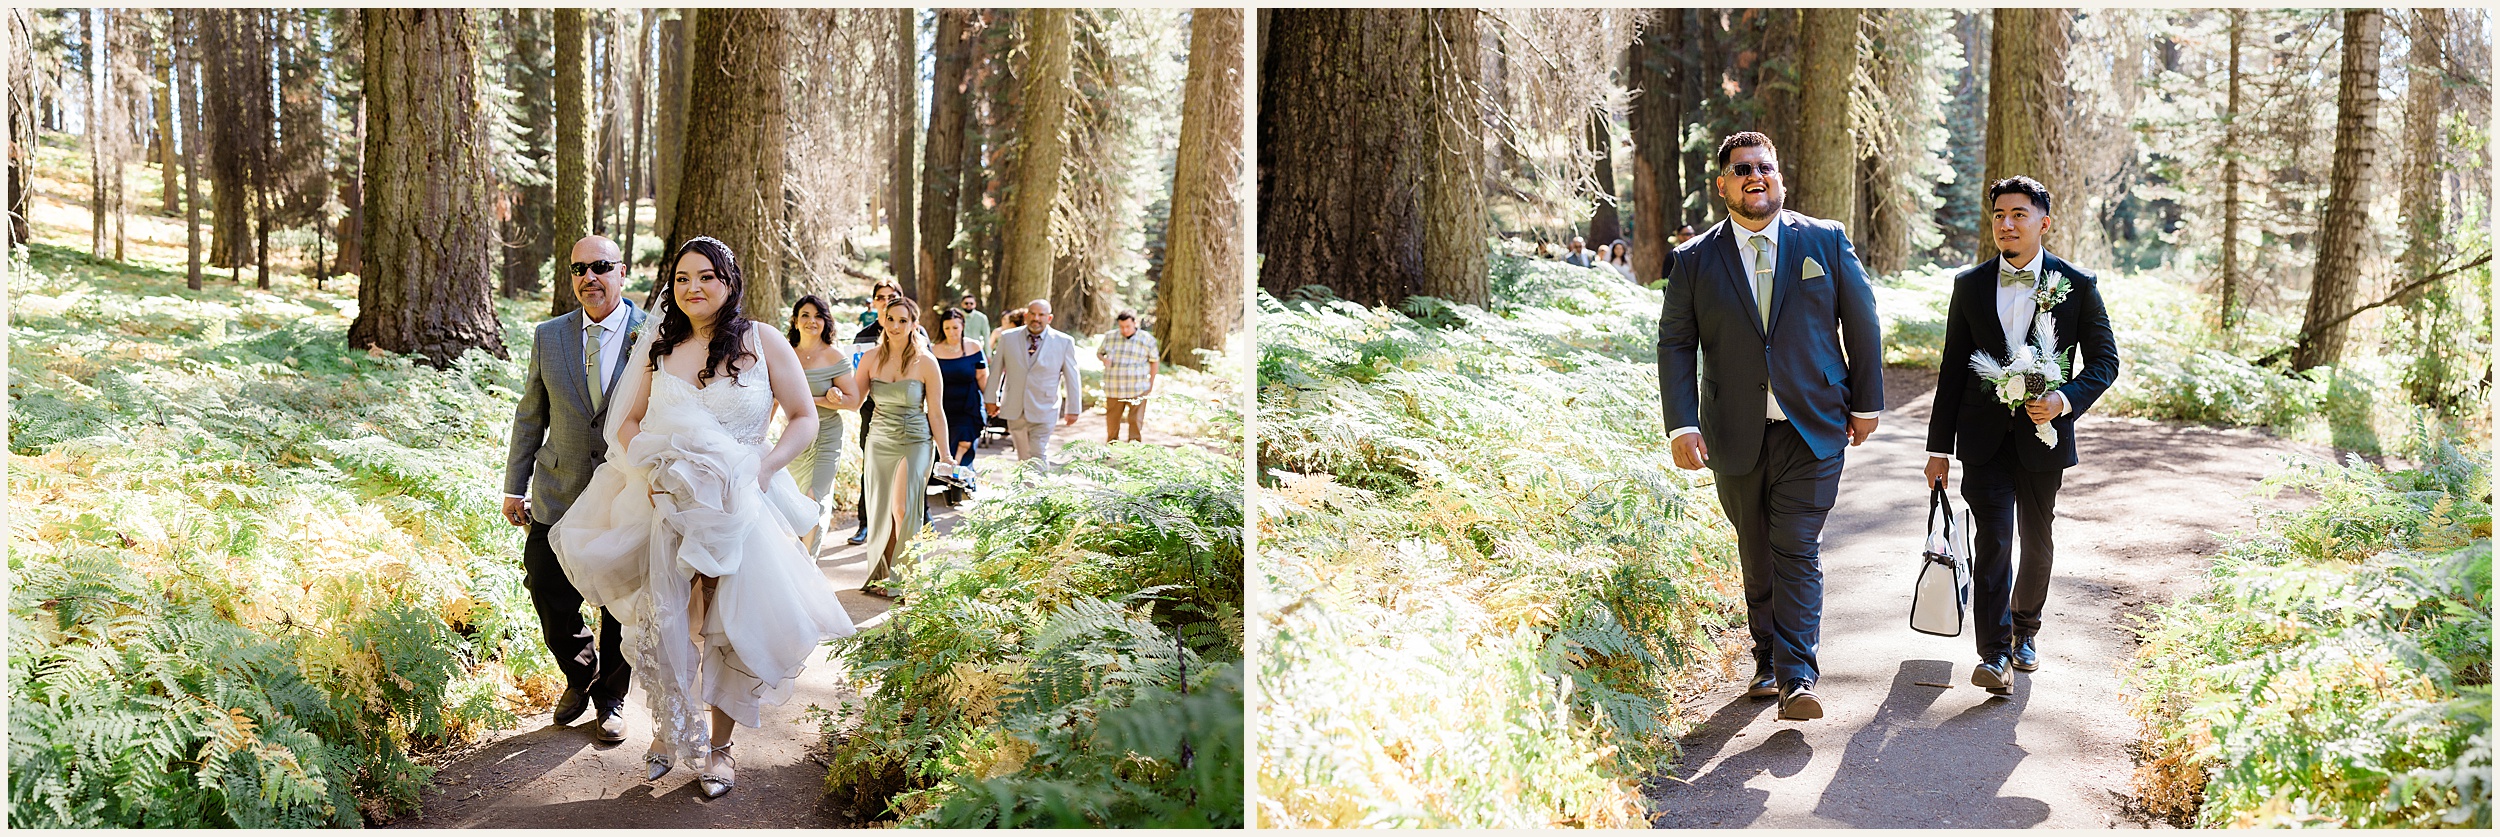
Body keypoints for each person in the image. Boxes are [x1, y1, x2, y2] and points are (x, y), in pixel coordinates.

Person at [552, 236, 855, 799]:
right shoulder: (662, 348)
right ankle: (670, 732)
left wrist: (763, 468)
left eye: (707, 277)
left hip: (740, 507)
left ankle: (719, 748)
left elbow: (804, 418)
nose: (694, 288)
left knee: (727, 625)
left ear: (730, 282)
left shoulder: (763, 342)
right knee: (668, 623)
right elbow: (628, 422)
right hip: (664, 506)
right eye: (684, 278)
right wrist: (649, 471)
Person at [1658, 131, 1883, 722]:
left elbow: (1862, 323)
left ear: (1779, 178)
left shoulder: (1826, 241)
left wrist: (1867, 403)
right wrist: (1681, 424)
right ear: (1722, 185)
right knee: (1756, 550)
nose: (1754, 177)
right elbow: (1677, 344)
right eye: (1741, 169)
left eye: (1764, 168)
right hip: (1734, 432)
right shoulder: (1693, 261)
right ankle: (1767, 660)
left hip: (1813, 428)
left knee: (1796, 547)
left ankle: (1799, 676)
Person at [1922, 176, 2120, 695]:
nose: (2006, 225)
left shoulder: (2076, 284)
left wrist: (2063, 401)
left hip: (2043, 438)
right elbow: (1953, 368)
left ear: (2043, 223)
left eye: (2018, 215)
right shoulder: (1968, 285)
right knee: (1993, 541)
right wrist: (1938, 448)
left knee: (2037, 539)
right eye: (1999, 216)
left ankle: (2025, 628)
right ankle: (1993, 654)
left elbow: (2105, 362)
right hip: (1981, 438)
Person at [503, 235, 647, 745]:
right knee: (547, 590)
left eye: (600, 267)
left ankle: (612, 698)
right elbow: (530, 416)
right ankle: (578, 672)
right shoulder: (549, 335)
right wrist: (512, 487)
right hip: (557, 489)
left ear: (622, 272)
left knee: (619, 603)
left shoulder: (652, 334)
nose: (589, 278)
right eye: (578, 269)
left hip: (623, 493)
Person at [858, 296, 949, 598]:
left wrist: (946, 455)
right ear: (882, 320)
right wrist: (822, 395)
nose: (896, 326)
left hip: (915, 440)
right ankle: (883, 574)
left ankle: (906, 579)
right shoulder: (871, 358)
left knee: (903, 508)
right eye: (891, 319)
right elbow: (853, 400)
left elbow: (935, 411)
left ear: (914, 325)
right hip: (879, 440)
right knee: (881, 510)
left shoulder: (926, 362)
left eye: (903, 320)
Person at [784, 294, 862, 554]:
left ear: (825, 322)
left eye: (818, 316)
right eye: (805, 315)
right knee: (793, 498)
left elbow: (853, 402)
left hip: (826, 434)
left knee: (814, 496)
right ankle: (793, 559)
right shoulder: (786, 354)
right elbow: (772, 398)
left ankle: (809, 563)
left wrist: (826, 399)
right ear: (795, 321)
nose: (811, 321)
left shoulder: (834, 357)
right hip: (795, 435)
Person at [845, 280, 906, 546]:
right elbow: (855, 379)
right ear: (874, 302)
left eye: (891, 296)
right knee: (870, 468)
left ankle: (917, 520)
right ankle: (865, 524)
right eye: (880, 297)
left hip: (906, 413)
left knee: (907, 470)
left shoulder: (915, 333)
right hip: (872, 412)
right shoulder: (864, 337)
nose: (886, 301)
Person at [986, 299, 1082, 465]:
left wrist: (1073, 409)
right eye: (1032, 314)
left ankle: (1039, 491)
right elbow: (996, 370)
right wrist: (990, 399)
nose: (1036, 318)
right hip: (1015, 407)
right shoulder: (1008, 338)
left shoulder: (1063, 342)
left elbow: (1072, 377)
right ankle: (1028, 490)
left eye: (1041, 315)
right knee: (1024, 458)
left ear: (1049, 318)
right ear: (1025, 316)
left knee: (1038, 453)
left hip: (1045, 407)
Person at [932, 307, 988, 467]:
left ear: (962, 326)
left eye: (955, 327)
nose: (952, 332)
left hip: (969, 404)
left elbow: (982, 376)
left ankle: (959, 478)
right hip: (944, 406)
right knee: (948, 444)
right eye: (947, 328)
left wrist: (991, 400)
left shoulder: (974, 347)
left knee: (965, 441)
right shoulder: (934, 351)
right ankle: (949, 477)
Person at [1097, 310, 1158, 442]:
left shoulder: (1147, 339)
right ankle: (1112, 449)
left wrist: (1151, 384)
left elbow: (1154, 361)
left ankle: (1133, 451)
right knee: (1112, 422)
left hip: (1138, 388)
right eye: (1121, 327)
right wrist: (1104, 359)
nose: (1124, 330)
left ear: (1135, 323)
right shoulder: (1110, 337)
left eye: (1127, 326)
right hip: (1114, 388)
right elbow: (1099, 353)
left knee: (1135, 421)